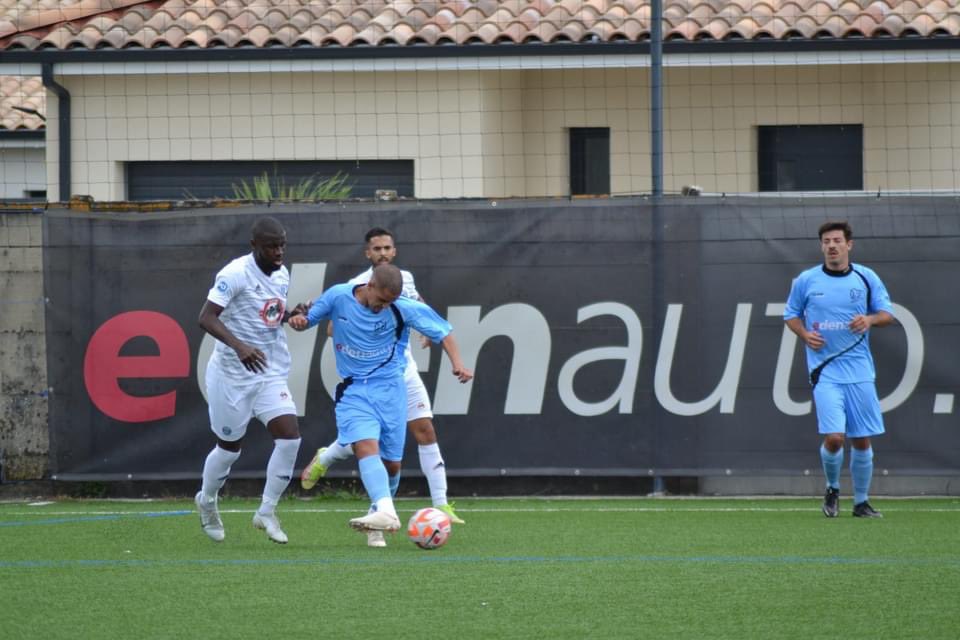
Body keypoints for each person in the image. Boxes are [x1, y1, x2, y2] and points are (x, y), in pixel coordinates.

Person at [300, 227, 466, 541]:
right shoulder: (348, 289)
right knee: (365, 444)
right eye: (377, 248)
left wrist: (444, 350)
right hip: (359, 381)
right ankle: (385, 514)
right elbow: (330, 325)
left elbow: (426, 314)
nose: (383, 253)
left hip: (399, 376)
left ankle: (437, 505)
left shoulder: (402, 286)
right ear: (368, 255)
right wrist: (357, 334)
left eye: (387, 247)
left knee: (395, 459)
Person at [194, 216, 305, 544]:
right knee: (229, 450)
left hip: (268, 372)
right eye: (272, 245)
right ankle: (207, 501)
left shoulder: (282, 273)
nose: (279, 251)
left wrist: (290, 315)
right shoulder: (235, 274)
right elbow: (206, 317)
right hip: (231, 376)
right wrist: (239, 346)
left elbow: (269, 313)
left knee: (290, 438)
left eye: (282, 244)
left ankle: (266, 511)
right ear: (254, 245)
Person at [784, 221, 895, 518]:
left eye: (836, 240)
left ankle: (861, 502)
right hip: (825, 372)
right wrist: (805, 335)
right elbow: (791, 315)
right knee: (835, 437)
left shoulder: (865, 277)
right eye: (826, 241)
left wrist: (870, 320)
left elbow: (887, 314)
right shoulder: (806, 280)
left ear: (849, 245)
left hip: (859, 371)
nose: (831, 245)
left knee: (861, 438)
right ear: (821, 246)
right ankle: (832, 488)